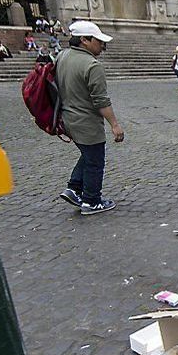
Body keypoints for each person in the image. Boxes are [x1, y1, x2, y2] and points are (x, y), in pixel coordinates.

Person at [56, 20, 124, 215]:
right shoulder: (92, 65)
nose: (102, 46)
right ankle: (91, 201)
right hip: (86, 122)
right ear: (84, 40)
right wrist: (115, 125)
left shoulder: (62, 56)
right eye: (99, 41)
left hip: (67, 119)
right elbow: (101, 101)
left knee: (88, 155)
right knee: (95, 160)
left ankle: (73, 188)